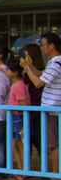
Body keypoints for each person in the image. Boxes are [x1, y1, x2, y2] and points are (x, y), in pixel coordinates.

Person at [24, 32, 61, 172]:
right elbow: (41, 75)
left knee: (53, 143)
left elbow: (39, 82)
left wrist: (27, 69)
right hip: (54, 107)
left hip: (53, 107)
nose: (42, 47)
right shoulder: (54, 63)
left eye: (43, 44)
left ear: (52, 46)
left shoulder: (56, 63)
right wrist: (30, 66)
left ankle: (56, 174)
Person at [5, 57, 30, 176]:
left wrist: (25, 122)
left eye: (9, 69)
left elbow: (24, 103)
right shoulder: (18, 84)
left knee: (19, 144)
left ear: (15, 72)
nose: (6, 71)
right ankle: (21, 170)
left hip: (17, 116)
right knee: (16, 144)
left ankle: (23, 171)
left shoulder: (18, 85)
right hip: (16, 116)